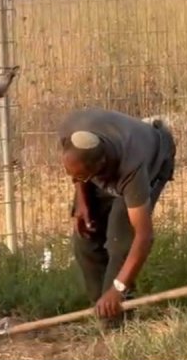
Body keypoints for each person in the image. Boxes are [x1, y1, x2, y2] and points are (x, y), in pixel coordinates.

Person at [56, 107, 176, 325]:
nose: (74, 178)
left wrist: (117, 288)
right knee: (85, 236)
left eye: (80, 175)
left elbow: (144, 236)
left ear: (99, 167)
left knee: (120, 240)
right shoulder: (70, 130)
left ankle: (116, 319)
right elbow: (78, 172)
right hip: (100, 164)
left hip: (152, 161)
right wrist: (82, 202)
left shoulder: (132, 169)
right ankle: (101, 308)